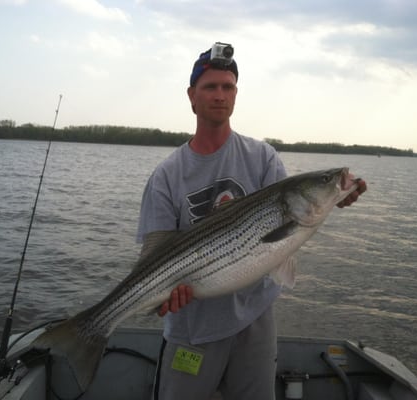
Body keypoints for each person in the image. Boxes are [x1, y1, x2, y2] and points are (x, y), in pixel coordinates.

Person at [136, 42, 367, 400]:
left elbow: (285, 240)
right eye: (210, 87)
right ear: (191, 95)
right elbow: (155, 253)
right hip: (192, 328)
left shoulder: (263, 158)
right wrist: (163, 295)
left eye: (228, 87)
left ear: (235, 95)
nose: (219, 95)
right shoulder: (166, 176)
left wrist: (336, 196)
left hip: (255, 322)